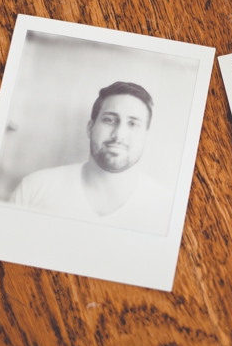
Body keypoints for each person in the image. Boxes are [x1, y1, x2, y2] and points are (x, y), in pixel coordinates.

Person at [10, 81, 173, 236]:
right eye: (110, 120)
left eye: (133, 124)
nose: (119, 134)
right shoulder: (35, 188)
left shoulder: (166, 209)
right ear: (90, 128)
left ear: (145, 137)